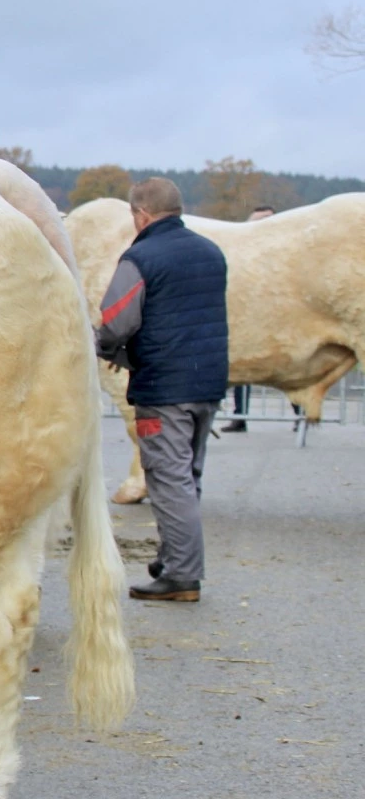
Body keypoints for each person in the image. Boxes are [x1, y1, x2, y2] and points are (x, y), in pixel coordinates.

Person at [95, 177, 228, 603]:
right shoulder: (210, 252)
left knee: (169, 482)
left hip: (164, 387)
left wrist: (107, 346)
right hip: (207, 384)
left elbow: (117, 319)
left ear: (141, 214)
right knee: (188, 476)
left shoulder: (142, 257)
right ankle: (172, 559)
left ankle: (182, 576)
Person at [220, 205, 276, 432]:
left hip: (274, 314)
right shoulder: (240, 253)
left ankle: (301, 412)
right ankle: (240, 415)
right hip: (245, 317)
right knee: (242, 364)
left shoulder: (281, 252)